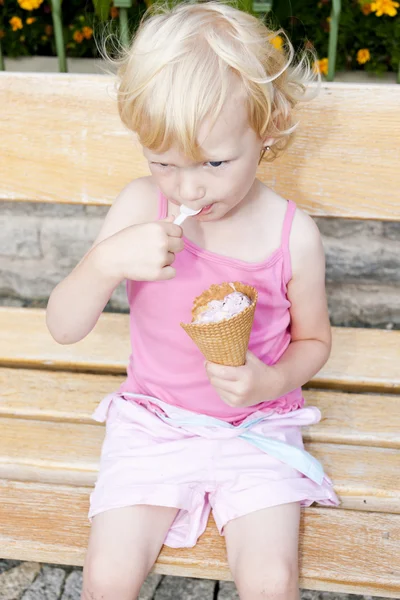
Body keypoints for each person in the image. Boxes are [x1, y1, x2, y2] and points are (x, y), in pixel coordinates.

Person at [46, 1, 340, 598]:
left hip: (256, 426)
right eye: (163, 164)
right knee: (106, 574)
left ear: (268, 127)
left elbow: (315, 341)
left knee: (272, 579)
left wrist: (268, 381)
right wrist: (104, 263)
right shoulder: (137, 207)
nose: (188, 187)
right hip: (153, 423)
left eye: (214, 161)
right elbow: (63, 325)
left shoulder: (292, 235)